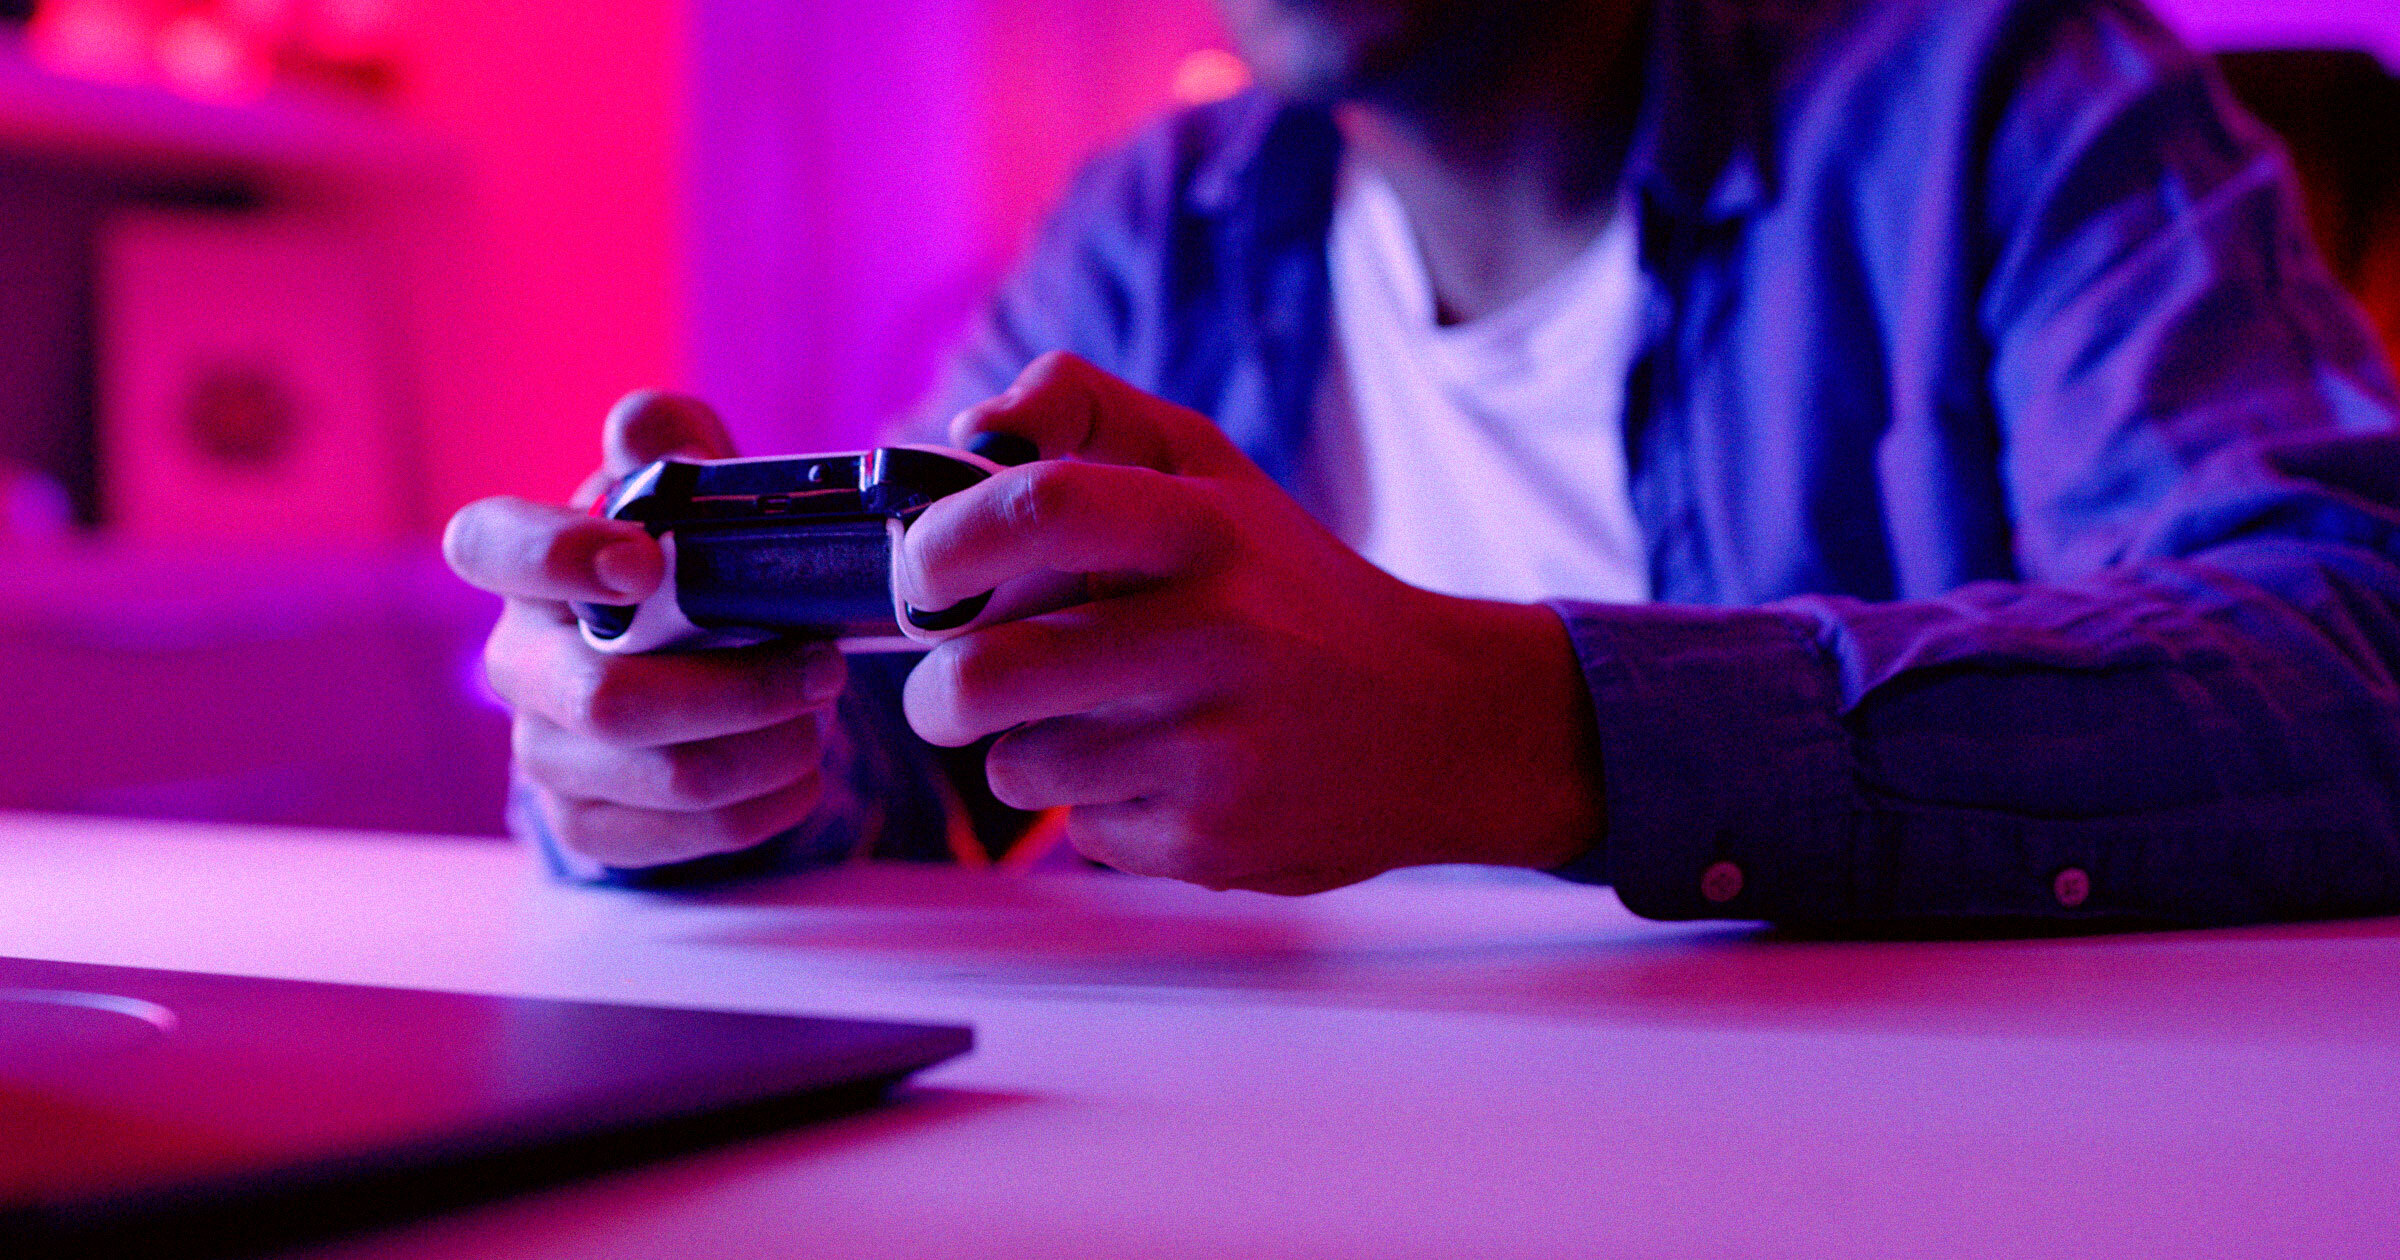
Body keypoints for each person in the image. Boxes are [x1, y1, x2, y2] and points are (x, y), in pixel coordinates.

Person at [443, 0, 2400, 927]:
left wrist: (1498, 723)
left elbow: (2352, 655)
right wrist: (685, 757)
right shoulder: (1157, 226)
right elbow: (900, 736)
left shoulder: (2004, 97)